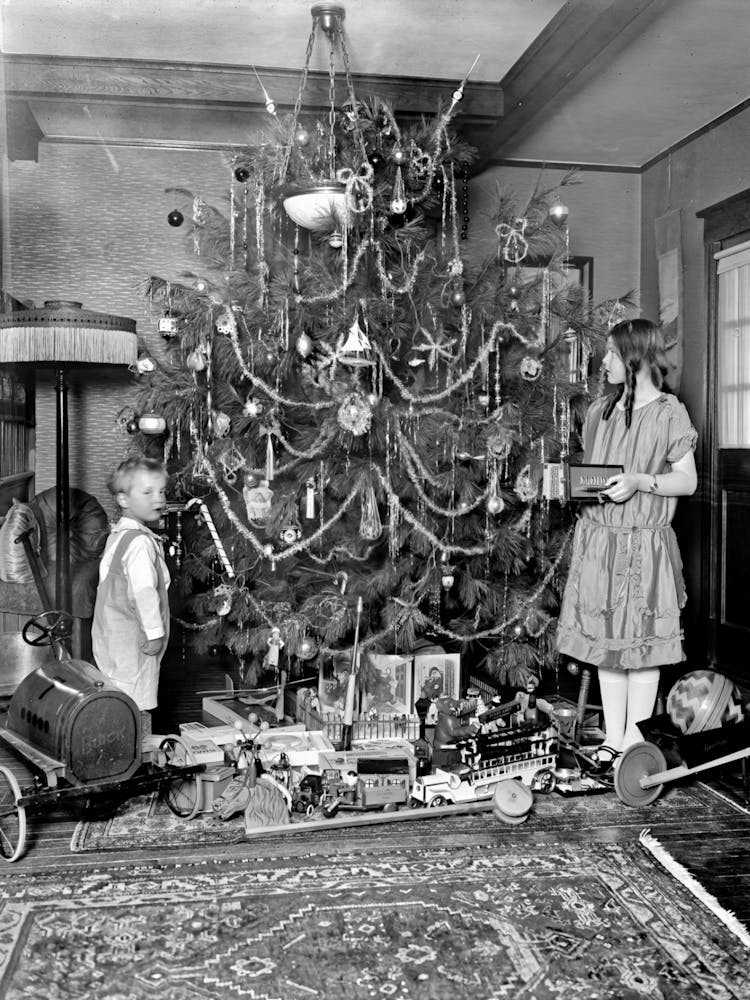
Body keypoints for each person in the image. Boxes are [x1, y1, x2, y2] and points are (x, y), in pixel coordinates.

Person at [556, 318, 698, 760]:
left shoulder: (669, 413)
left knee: (640, 650)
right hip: (598, 542)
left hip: (642, 544)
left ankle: (635, 742)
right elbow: (593, 470)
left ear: (635, 358)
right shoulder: (600, 411)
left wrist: (639, 481)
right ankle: (613, 740)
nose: (605, 362)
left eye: (613, 355)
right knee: (605, 648)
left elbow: (688, 482)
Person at [92, 457, 170, 738]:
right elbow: (144, 592)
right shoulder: (139, 543)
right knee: (136, 700)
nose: (158, 499)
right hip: (133, 640)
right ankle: (136, 751)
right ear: (123, 499)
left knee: (119, 693)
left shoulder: (121, 536)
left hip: (112, 637)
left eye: (161, 491)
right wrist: (154, 633)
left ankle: (121, 745)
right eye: (147, 493)